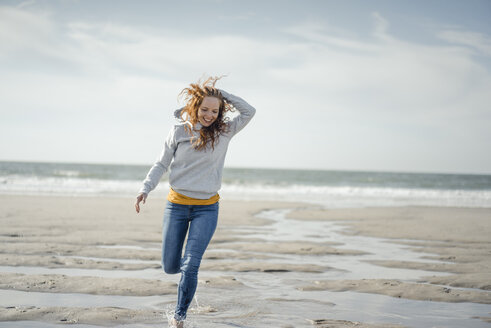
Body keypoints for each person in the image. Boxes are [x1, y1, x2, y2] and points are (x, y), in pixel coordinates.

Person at [134, 76, 256, 328]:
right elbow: (161, 164)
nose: (209, 115)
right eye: (204, 109)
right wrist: (146, 188)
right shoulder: (179, 130)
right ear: (195, 107)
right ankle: (186, 281)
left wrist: (221, 94)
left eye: (215, 110)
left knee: (191, 264)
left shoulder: (225, 131)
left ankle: (179, 316)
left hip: (207, 208)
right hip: (176, 206)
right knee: (170, 267)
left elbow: (249, 111)